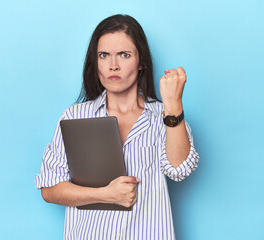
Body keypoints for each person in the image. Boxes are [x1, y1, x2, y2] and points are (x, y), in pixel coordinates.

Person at [35, 14, 199, 240]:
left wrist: (173, 105)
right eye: (104, 55)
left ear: (141, 62)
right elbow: (49, 188)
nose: (113, 66)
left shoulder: (162, 117)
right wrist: (106, 195)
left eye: (124, 55)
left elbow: (180, 169)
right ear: (96, 62)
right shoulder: (75, 116)